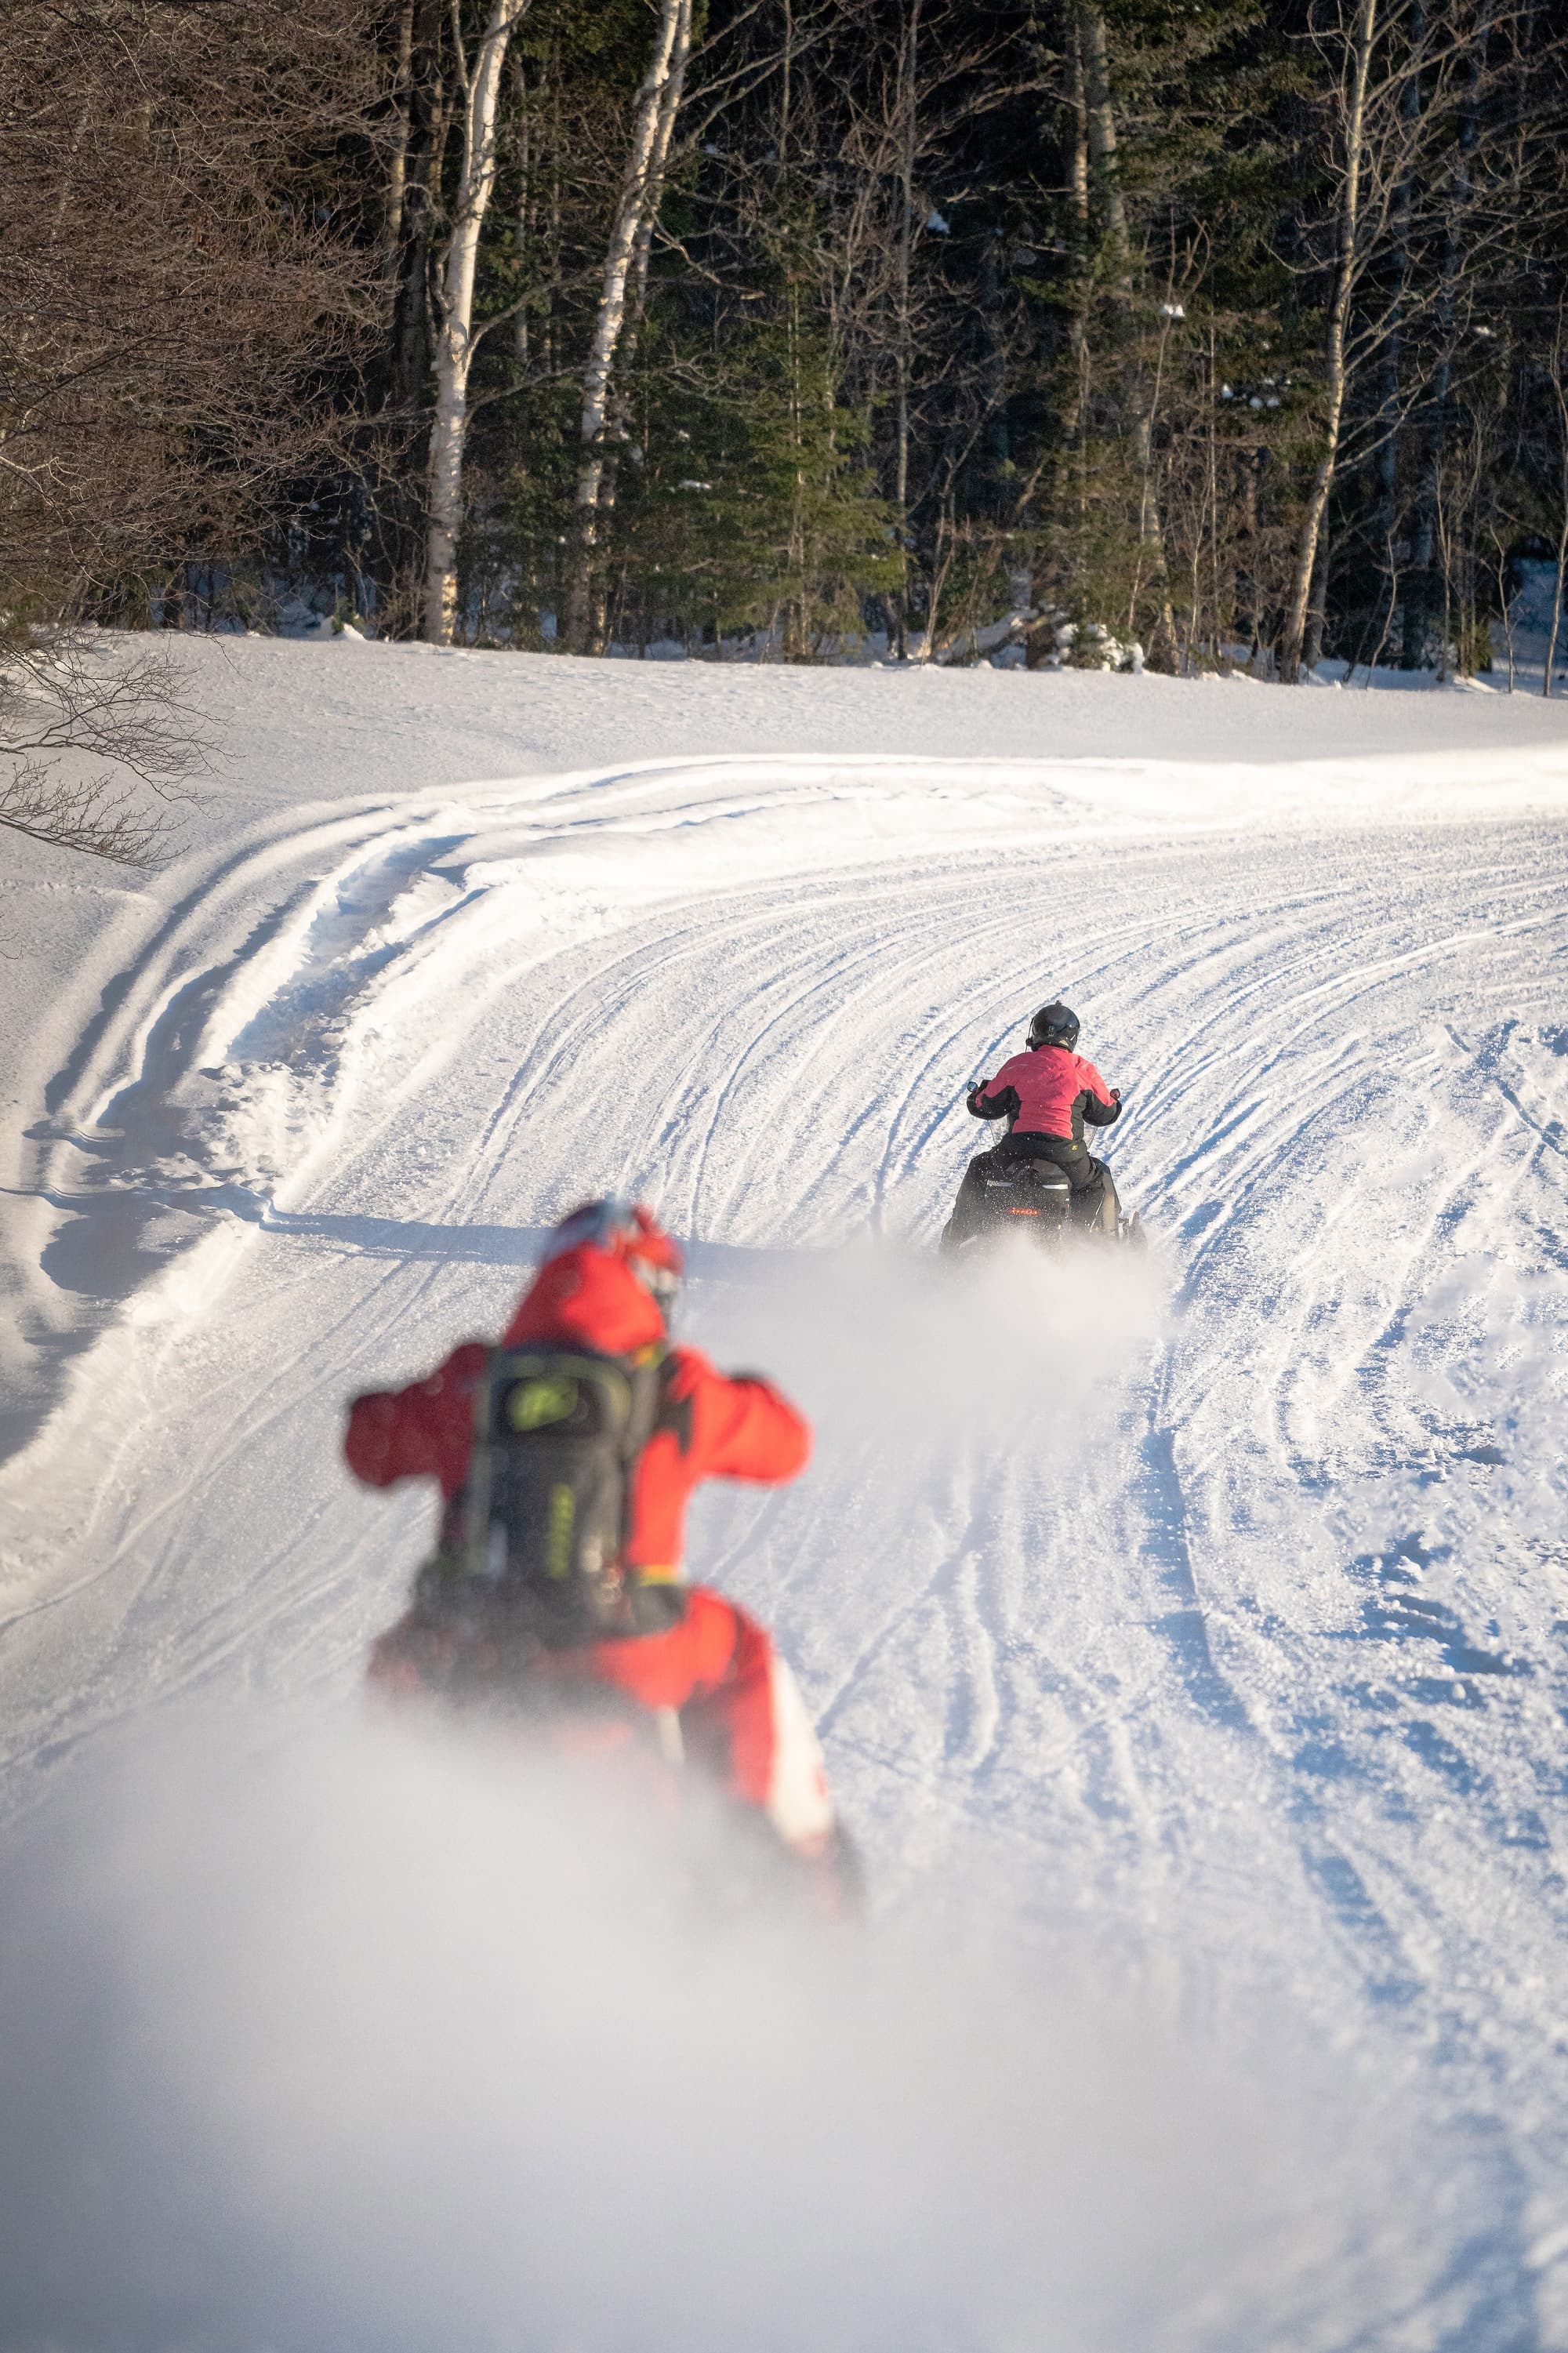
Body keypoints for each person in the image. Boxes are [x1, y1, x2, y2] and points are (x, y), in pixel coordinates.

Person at [345, 1199, 853, 1904]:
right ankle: (786, 1864)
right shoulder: (674, 1384)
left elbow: (368, 1452)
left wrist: (386, 1407)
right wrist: (746, 1393)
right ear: (653, 1287)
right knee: (738, 1649)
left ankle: (364, 1862)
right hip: (623, 1649)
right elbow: (787, 1447)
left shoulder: (473, 1380)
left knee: (393, 1661)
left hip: (466, 1646)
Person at [945, 1000, 1123, 1246]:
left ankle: (958, 1239)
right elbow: (1105, 1113)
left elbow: (985, 1105)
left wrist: (978, 1095)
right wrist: (1113, 1101)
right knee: (1097, 1181)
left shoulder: (1018, 1064)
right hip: (1066, 1154)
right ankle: (1096, 1246)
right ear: (1072, 1036)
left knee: (979, 1168)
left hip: (1017, 1148)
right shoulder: (1082, 1069)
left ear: (1036, 1032)